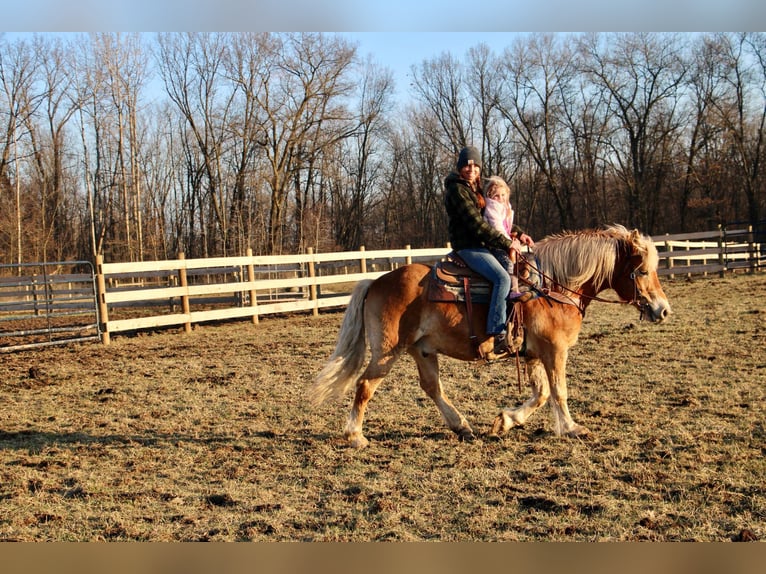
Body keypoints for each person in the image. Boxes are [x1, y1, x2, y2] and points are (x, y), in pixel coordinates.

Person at [443, 146, 533, 357]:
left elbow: (496, 219)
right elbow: (477, 225)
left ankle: (517, 328)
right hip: (469, 246)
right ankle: (497, 333)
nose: (471, 168)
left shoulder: (476, 188)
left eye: (475, 165)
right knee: (502, 278)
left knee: (520, 272)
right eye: (466, 165)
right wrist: (506, 243)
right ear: (460, 167)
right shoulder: (457, 190)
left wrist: (518, 234)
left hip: (483, 244)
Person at [482, 175, 534, 298]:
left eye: (503, 195)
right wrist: (510, 243)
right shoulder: (492, 208)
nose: (500, 198)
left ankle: (521, 285)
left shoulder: (505, 207)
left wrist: (519, 235)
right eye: (496, 196)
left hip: (504, 242)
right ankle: (512, 290)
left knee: (522, 261)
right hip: (495, 244)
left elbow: (508, 226)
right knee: (507, 262)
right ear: (490, 196)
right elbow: (498, 228)